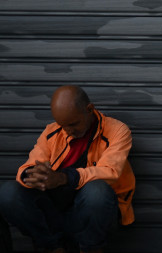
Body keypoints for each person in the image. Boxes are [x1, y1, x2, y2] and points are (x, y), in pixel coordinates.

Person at [0, 86, 135, 253]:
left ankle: (91, 249)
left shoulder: (117, 131)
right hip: (55, 214)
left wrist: (64, 177)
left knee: (97, 190)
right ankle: (53, 247)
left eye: (73, 124)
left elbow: (110, 172)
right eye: (63, 125)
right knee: (8, 192)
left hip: (94, 214)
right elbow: (29, 165)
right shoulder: (52, 132)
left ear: (90, 109)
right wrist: (33, 175)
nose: (68, 131)